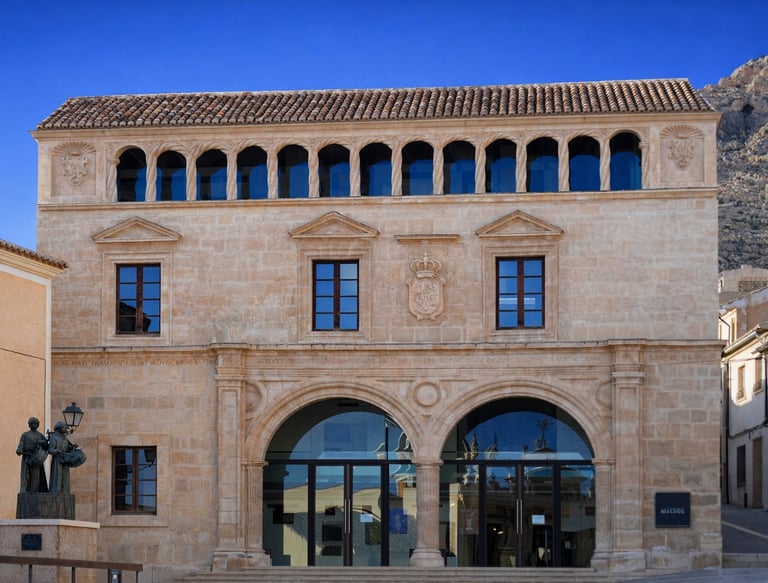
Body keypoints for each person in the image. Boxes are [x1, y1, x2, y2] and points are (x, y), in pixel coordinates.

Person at [16, 417, 48, 493]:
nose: (34, 424)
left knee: (35, 476)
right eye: (32, 423)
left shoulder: (40, 435)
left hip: (36, 459)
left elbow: (46, 446)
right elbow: (21, 444)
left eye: (36, 423)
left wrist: (44, 443)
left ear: (38, 425)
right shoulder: (25, 435)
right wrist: (19, 450)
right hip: (27, 458)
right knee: (26, 476)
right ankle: (25, 492)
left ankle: (34, 492)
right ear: (29, 425)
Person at [47, 421, 75, 494]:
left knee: (65, 479)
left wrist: (72, 448)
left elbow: (68, 450)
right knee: (57, 478)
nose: (66, 429)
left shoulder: (65, 439)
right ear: (59, 429)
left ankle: (65, 493)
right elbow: (50, 450)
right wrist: (57, 451)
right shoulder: (54, 438)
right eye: (64, 427)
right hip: (57, 461)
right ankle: (55, 494)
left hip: (65, 460)